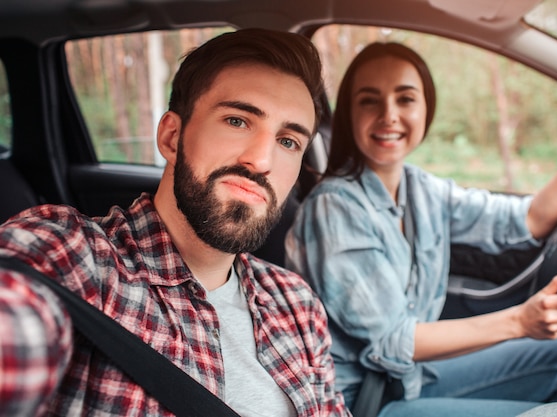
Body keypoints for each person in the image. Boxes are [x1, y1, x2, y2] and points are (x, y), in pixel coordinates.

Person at [0, 28, 350, 416]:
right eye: (237, 121)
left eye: (288, 141)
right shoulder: (79, 257)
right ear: (171, 136)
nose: (262, 160)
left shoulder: (296, 304)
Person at [285, 42, 557, 417]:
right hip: (359, 400)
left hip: (409, 377)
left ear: (426, 107)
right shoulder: (333, 209)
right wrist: (520, 321)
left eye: (405, 99)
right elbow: (393, 341)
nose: (389, 115)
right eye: (369, 101)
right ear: (349, 114)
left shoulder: (422, 190)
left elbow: (526, 219)